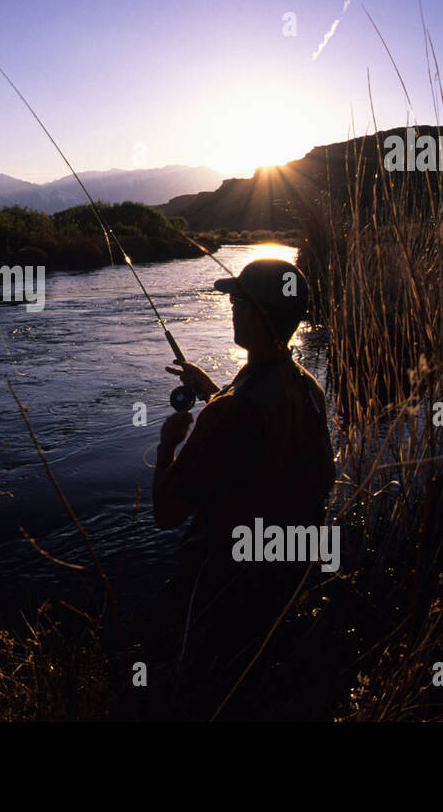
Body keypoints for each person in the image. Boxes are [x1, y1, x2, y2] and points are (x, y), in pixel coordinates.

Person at [149, 258, 335, 715]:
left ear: (257, 313)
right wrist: (211, 387)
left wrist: (166, 448)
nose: (231, 309)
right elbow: (260, 438)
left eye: (236, 301)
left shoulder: (229, 414)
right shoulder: (308, 388)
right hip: (286, 575)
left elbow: (166, 513)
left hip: (228, 589)